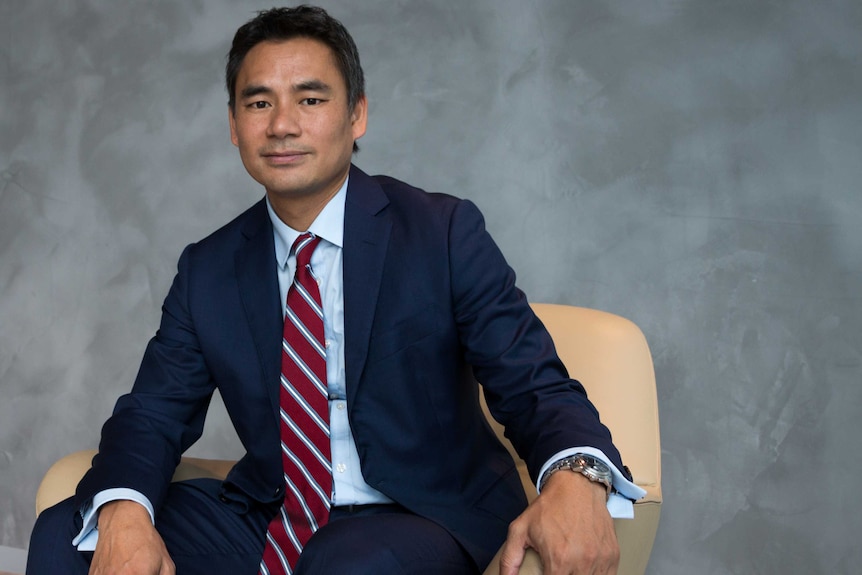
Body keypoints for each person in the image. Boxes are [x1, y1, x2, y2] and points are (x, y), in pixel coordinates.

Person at [27, 5, 644, 575]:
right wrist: (124, 511)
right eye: (259, 103)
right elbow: (153, 413)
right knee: (64, 534)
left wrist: (576, 473)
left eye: (311, 98)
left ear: (357, 116)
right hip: (274, 515)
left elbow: (532, 382)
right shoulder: (208, 268)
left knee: (348, 563)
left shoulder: (442, 231)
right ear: (235, 127)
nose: (284, 125)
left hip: (423, 515)